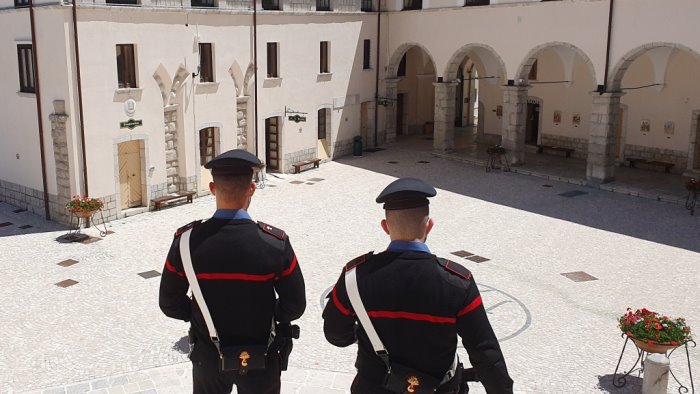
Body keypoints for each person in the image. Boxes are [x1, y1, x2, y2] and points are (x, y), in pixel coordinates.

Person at [322, 177, 513, 394]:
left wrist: (365, 335)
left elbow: (334, 334)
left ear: (385, 227)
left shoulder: (355, 276)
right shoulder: (458, 283)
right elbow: (485, 353)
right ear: (429, 226)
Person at [159, 149, 306, 394]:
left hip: (208, 356)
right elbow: (295, 305)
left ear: (212, 188)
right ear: (252, 189)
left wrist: (199, 317)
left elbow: (169, 303)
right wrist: (267, 315)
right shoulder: (274, 243)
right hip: (262, 353)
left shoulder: (186, 242)